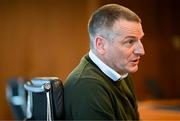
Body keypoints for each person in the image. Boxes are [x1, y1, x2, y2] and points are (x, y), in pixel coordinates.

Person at [64, 3, 145, 120]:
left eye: (140, 40)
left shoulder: (122, 73)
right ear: (101, 45)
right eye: (130, 42)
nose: (141, 51)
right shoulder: (87, 86)